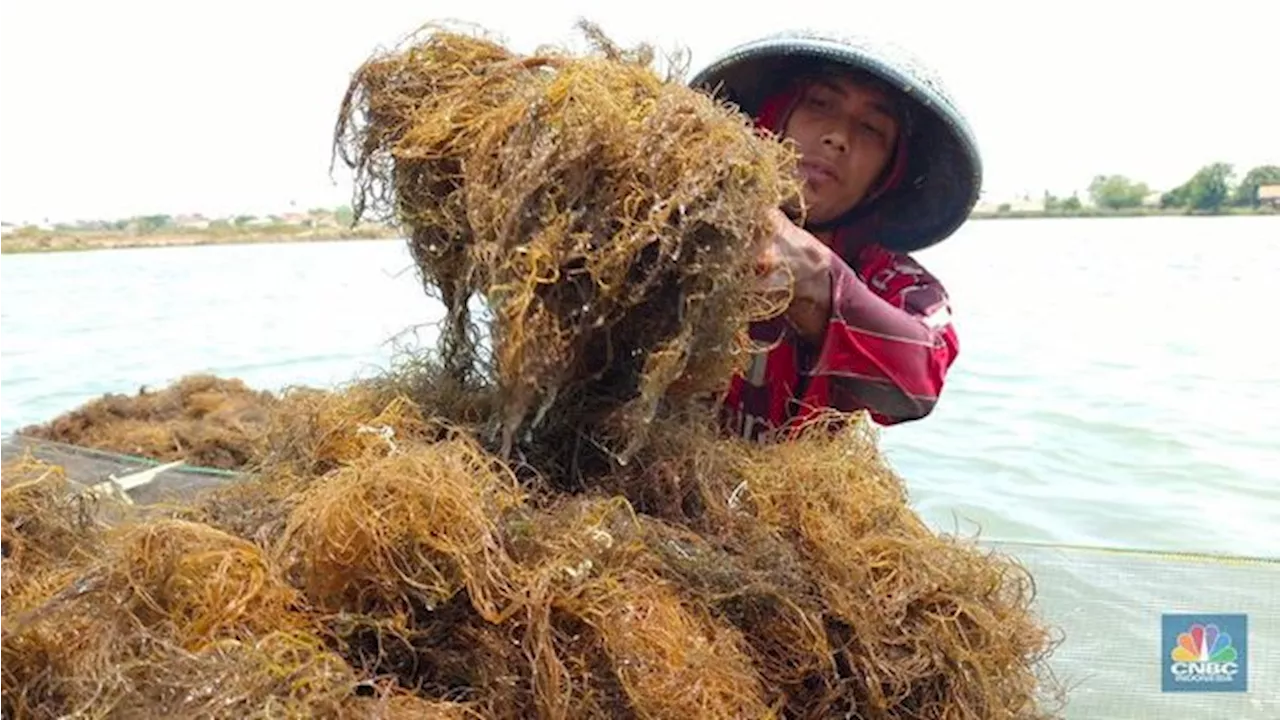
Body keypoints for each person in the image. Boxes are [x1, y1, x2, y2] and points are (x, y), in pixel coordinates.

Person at [688, 32, 983, 442]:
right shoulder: (680, 221)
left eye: (871, 128)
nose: (838, 137)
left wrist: (815, 282)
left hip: (785, 499)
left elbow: (920, 381)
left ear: (886, 174)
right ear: (774, 117)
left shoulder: (892, 281)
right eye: (820, 103)